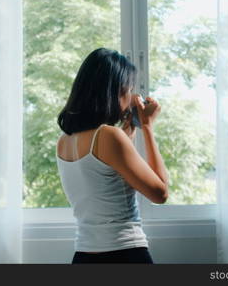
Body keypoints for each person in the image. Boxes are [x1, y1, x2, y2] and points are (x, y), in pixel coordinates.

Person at [56, 48, 169, 264]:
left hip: (83, 257)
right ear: (117, 91)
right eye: (129, 89)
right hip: (125, 253)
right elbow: (160, 193)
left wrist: (130, 129)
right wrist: (147, 126)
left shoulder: (64, 141)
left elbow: (108, 176)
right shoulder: (109, 136)